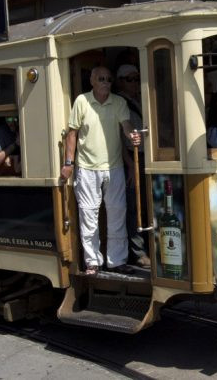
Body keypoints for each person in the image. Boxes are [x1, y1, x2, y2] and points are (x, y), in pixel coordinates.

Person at [60, 66, 141, 276]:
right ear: (92, 81)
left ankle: (117, 261)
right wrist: (68, 164)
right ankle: (93, 262)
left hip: (113, 168)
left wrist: (133, 136)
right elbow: (72, 134)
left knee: (117, 213)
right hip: (86, 168)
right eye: (101, 79)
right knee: (89, 215)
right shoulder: (82, 101)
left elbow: (126, 126)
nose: (106, 82)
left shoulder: (119, 102)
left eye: (109, 79)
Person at [115, 64, 151, 268]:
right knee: (134, 207)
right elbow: (118, 137)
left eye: (137, 78)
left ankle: (146, 247)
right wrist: (129, 164)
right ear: (121, 81)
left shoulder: (138, 100)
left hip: (145, 156)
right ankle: (136, 252)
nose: (135, 82)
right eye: (130, 79)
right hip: (132, 157)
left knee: (144, 206)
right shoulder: (121, 103)